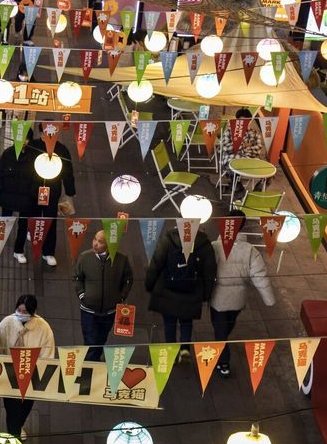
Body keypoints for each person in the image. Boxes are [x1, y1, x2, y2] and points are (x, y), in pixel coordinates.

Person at [210, 210, 276, 377]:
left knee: (220, 331)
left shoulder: (215, 246)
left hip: (218, 297)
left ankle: (224, 364)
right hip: (239, 298)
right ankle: (221, 350)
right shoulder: (250, 251)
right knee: (227, 326)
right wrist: (269, 300)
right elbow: (260, 276)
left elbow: (206, 270)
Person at [145, 222, 217, 359]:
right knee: (186, 321)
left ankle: (171, 349)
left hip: (167, 291)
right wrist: (206, 295)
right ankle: (185, 348)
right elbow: (210, 272)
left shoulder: (169, 239)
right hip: (192, 291)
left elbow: (156, 263)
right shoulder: (205, 245)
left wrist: (150, 284)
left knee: (169, 323)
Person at [0, 294, 55, 438]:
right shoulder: (6, 323)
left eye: (25, 312)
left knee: (26, 406)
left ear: (33, 312)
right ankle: (13, 434)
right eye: (19, 310)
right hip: (10, 375)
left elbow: (48, 354)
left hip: (32, 376)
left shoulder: (44, 328)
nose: (21, 314)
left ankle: (18, 426)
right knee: (12, 409)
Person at [73, 230, 134, 361]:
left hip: (110, 311)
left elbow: (128, 279)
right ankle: (89, 368)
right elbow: (77, 278)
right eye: (95, 239)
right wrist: (82, 295)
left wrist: (121, 298)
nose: (95, 243)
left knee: (101, 339)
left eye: (100, 242)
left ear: (109, 245)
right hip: (88, 310)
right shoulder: (84, 257)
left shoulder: (122, 260)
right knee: (90, 341)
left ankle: (92, 362)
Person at [21, 126, 76, 266]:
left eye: (54, 133)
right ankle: (30, 233)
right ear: (41, 134)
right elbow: (23, 167)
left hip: (52, 191)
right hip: (32, 190)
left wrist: (70, 192)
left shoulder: (62, 150)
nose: (51, 136)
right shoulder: (32, 147)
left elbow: (68, 172)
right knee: (31, 215)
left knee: (51, 220)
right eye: (47, 133)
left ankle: (48, 253)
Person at [0, 127, 37, 254]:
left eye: (26, 139)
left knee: (23, 226)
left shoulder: (34, 157)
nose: (23, 142)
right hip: (8, 196)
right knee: (4, 221)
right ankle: (0, 240)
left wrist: (32, 195)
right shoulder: (8, 153)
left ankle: (19, 251)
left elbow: (39, 179)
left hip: (26, 199)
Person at [218, 108, 267, 195]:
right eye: (241, 120)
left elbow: (258, 149)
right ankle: (240, 194)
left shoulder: (254, 133)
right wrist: (244, 145)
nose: (243, 123)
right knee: (232, 172)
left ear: (249, 121)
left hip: (250, 160)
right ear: (237, 120)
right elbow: (226, 148)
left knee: (269, 175)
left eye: (246, 120)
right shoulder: (229, 131)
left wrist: (239, 148)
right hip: (232, 159)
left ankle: (256, 194)